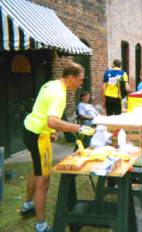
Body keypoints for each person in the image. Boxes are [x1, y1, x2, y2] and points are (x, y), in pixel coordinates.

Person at [20, 63, 85, 232]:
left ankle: (27, 205)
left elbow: (45, 112)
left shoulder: (51, 84)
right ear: (71, 77)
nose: (81, 84)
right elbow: (52, 120)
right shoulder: (59, 93)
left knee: (36, 169)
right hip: (37, 136)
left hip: (29, 128)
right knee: (44, 181)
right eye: (80, 79)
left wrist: (53, 130)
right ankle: (41, 226)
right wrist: (78, 127)